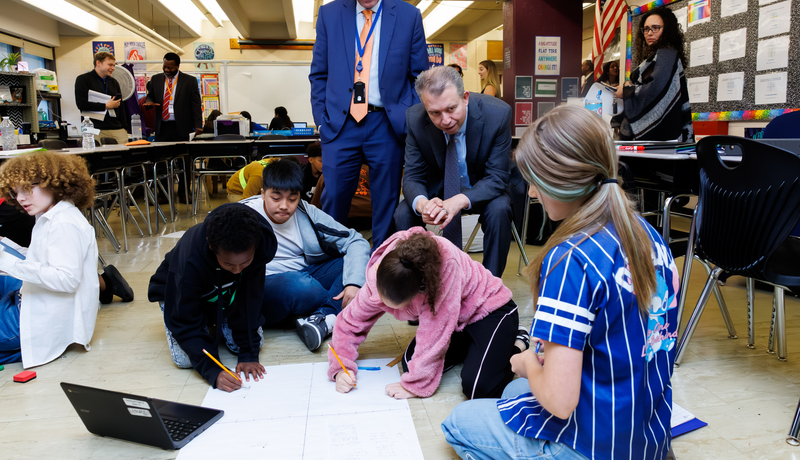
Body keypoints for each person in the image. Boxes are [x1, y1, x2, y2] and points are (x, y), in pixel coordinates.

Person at [442, 106, 680, 460]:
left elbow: (559, 401)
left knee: (459, 422)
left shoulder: (570, 259)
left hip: (595, 444)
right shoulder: (649, 235)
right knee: (512, 394)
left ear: (561, 181)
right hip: (645, 434)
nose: (531, 193)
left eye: (535, 181)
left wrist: (527, 362)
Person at [309, 0, 428, 252]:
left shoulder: (408, 16)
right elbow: (319, 73)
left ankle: (381, 266)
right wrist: (322, 120)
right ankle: (334, 264)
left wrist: (407, 118)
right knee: (334, 199)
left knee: (385, 203)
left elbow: (420, 77)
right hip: (340, 123)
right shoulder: (329, 15)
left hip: (387, 124)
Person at [329, 228, 528, 400]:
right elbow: (349, 323)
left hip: (490, 310)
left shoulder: (442, 273)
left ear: (418, 292)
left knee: (478, 387)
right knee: (410, 364)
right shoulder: (382, 273)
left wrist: (415, 386)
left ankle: (517, 342)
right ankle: (476, 347)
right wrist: (341, 367)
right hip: (456, 320)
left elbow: (434, 332)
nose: (380, 303)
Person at [394, 66, 513, 278]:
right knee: (403, 212)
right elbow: (412, 176)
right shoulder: (414, 119)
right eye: (435, 113)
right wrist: (423, 204)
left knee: (500, 209)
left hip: (481, 188)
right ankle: (419, 283)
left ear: (465, 98)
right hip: (438, 191)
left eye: (451, 109)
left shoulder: (498, 114)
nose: (445, 120)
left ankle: (490, 284)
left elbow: (497, 177)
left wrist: (458, 201)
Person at [239, 159, 370, 352]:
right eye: (276, 198)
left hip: (307, 274)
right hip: (264, 285)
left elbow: (355, 241)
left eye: (292, 199)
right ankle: (336, 307)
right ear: (262, 194)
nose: (284, 206)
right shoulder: (244, 214)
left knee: (359, 263)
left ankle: (322, 318)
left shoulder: (306, 212)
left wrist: (353, 284)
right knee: (300, 285)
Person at [147, 203, 278, 391]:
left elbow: (251, 298)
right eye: (228, 264)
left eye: (245, 262)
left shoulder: (256, 247)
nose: (237, 270)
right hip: (177, 294)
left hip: (223, 293)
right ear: (211, 247)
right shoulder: (191, 258)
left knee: (247, 345)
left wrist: (249, 354)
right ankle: (211, 321)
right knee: (185, 360)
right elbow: (183, 317)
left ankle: (217, 320)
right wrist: (212, 370)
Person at [0, 152, 99, 367]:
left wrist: (6, 262)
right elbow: (42, 258)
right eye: (15, 192)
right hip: (31, 298)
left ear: (53, 183)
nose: (20, 198)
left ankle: (22, 346)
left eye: (27, 188)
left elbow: (66, 280)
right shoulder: (52, 214)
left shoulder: (63, 223)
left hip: (32, 317)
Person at [613, 7, 693, 142]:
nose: (649, 33)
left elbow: (655, 89)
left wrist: (627, 90)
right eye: (646, 29)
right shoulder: (655, 56)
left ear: (667, 29)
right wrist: (630, 86)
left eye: (655, 28)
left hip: (660, 137)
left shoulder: (666, 55)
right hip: (659, 138)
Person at [143, 52, 203, 142]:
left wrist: (198, 124)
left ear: (178, 66)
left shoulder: (189, 81)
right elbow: (150, 95)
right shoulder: (156, 79)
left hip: (182, 127)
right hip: (162, 126)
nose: (166, 70)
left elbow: (196, 104)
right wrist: (149, 101)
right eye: (164, 67)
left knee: (181, 150)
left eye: (170, 68)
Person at [74, 51, 130, 145]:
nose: (113, 68)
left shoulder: (114, 82)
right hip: (94, 128)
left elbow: (121, 106)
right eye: (110, 65)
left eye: (114, 65)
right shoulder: (83, 79)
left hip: (116, 127)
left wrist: (125, 127)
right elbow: (81, 104)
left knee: (123, 152)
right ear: (98, 63)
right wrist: (105, 106)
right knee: (98, 153)